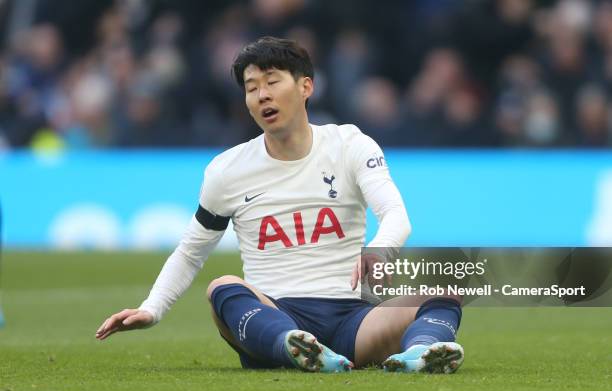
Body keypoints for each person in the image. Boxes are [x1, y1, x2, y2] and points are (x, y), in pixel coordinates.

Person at [95, 36, 464, 373]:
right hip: (271, 310)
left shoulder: (350, 145)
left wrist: (380, 250)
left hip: (354, 319)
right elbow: (192, 250)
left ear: (306, 86)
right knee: (222, 286)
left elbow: (396, 215)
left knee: (449, 282)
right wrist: (152, 308)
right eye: (251, 88)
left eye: (272, 82)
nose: (261, 95)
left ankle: (421, 352)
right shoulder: (228, 169)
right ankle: (291, 345)